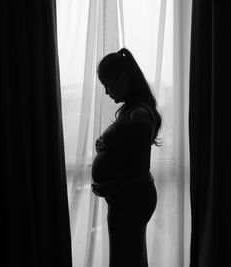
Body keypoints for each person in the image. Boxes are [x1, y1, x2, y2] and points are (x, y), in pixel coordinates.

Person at [91, 48, 162, 267]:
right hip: (128, 197)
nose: (106, 92)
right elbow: (126, 149)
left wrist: (107, 187)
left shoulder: (139, 113)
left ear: (123, 79)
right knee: (129, 255)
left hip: (132, 199)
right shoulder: (132, 111)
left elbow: (140, 167)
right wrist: (104, 144)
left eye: (107, 84)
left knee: (126, 257)